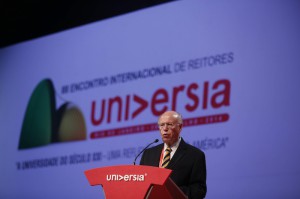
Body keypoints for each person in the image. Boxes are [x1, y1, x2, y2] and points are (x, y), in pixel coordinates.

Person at [140, 111, 207, 199]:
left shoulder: (195, 155)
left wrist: (171, 193)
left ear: (180, 127)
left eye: (169, 124)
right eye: (162, 125)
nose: (165, 128)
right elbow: (142, 183)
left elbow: (199, 189)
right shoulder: (148, 153)